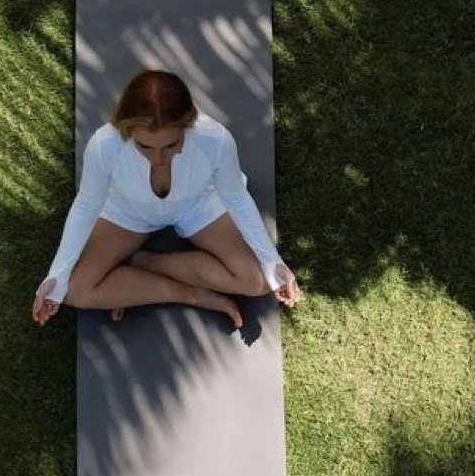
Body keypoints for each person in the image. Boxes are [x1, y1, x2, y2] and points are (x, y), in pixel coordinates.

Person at [32, 69, 302, 330]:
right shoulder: (104, 145)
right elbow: (87, 204)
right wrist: (56, 275)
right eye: (144, 147)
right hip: (128, 212)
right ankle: (190, 294)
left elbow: (235, 196)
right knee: (74, 290)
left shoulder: (215, 140)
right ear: (128, 130)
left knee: (258, 280)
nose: (158, 159)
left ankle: (143, 262)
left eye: (171, 145)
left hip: (198, 206)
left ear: (187, 126)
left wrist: (271, 261)